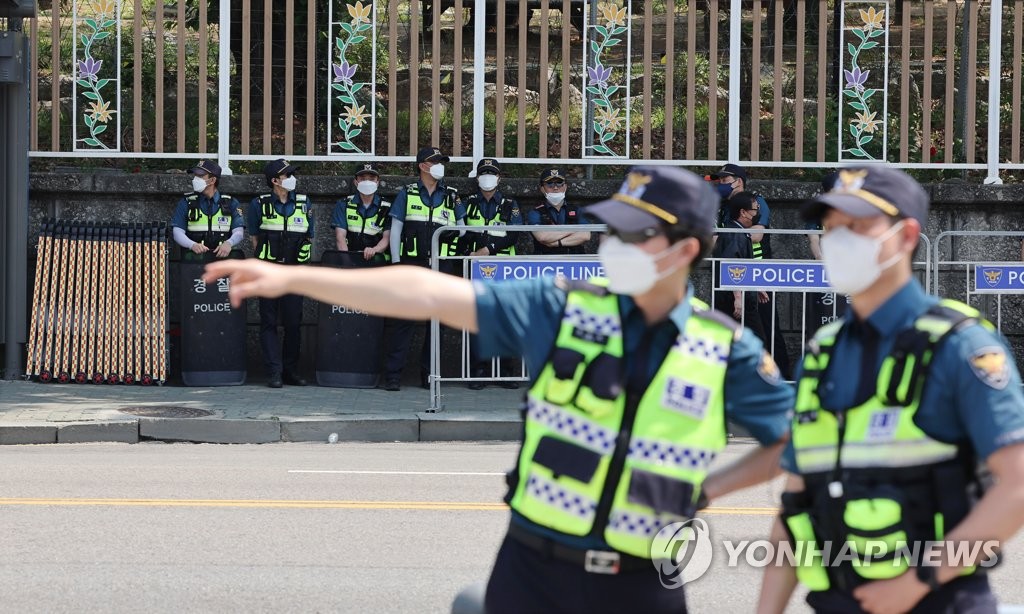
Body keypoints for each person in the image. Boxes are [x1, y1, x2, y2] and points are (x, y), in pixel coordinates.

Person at [204, 166, 795, 614]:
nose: (612, 243)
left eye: (633, 233)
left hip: (643, 582)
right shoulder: (561, 308)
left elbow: (793, 443)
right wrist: (292, 277)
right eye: (611, 228)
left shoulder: (726, 348)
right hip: (530, 566)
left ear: (684, 250)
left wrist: (709, 490)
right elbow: (430, 293)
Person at [758, 166, 1024, 614]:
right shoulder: (822, 353)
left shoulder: (958, 345)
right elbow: (795, 506)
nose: (839, 240)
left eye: (859, 226)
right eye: (831, 227)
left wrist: (920, 580)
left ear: (906, 236)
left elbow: (1017, 485)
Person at [383, 146, 466, 391]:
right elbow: (396, 229)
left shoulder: (451, 194)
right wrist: (396, 263)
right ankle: (393, 376)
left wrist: (449, 232)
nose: (440, 165)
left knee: (436, 323)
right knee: (403, 322)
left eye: (442, 161)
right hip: (412, 265)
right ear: (422, 166)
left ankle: (429, 376)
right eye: (435, 161)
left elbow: (462, 228)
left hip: (441, 265)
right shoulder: (407, 193)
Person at [248, 158, 314, 388]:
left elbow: (309, 235)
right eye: (287, 175)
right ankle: (274, 371)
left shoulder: (305, 202)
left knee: (294, 323)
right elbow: (254, 238)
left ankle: (290, 370)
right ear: (275, 181)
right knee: (268, 322)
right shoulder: (259, 204)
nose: (292, 179)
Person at [459, 158, 523, 390]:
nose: (487, 177)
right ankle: (479, 371)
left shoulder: (509, 204)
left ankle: (505, 371)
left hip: (504, 268)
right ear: (477, 178)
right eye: (483, 172)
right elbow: (461, 231)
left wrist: (489, 248)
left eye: (491, 173)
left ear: (499, 178)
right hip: (476, 269)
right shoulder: (468, 203)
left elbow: (514, 234)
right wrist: (475, 248)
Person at [712, 192, 768, 342]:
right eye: (756, 210)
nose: (758, 213)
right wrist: (738, 298)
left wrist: (754, 286)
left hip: (740, 297)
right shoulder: (735, 234)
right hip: (735, 301)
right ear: (743, 212)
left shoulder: (737, 232)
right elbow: (732, 264)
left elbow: (743, 264)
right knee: (756, 341)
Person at [170, 160, 244, 260]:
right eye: (195, 175)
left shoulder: (231, 203)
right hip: (193, 261)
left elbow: (239, 232)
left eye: (200, 176)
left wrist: (228, 243)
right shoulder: (186, 202)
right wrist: (192, 245)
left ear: (212, 180)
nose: (195, 179)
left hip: (223, 261)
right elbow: (177, 232)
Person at [332, 162, 391, 263]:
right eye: (363, 178)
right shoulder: (344, 204)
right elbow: (340, 237)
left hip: (377, 262)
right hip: (350, 260)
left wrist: (374, 250)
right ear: (356, 182)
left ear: (377, 182)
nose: (367, 182)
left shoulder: (387, 206)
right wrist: (347, 262)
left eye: (372, 178)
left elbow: (387, 238)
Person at [527, 168, 592, 255]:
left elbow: (585, 235)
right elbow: (542, 237)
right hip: (545, 263)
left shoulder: (578, 210)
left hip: (575, 263)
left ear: (565, 187)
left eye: (559, 183)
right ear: (542, 189)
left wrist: (557, 243)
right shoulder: (535, 212)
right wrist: (574, 230)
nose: (555, 187)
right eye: (550, 184)